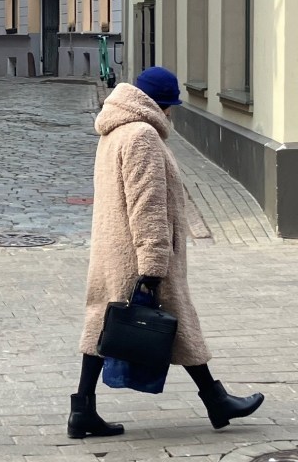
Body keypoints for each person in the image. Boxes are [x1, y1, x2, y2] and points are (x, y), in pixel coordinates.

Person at [68, 66, 264, 439]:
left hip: (114, 248)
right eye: (171, 106)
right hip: (139, 252)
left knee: (104, 324)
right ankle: (216, 400)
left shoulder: (114, 130)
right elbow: (148, 204)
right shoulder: (141, 135)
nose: (171, 114)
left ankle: (83, 410)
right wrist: (155, 261)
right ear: (163, 105)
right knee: (174, 323)